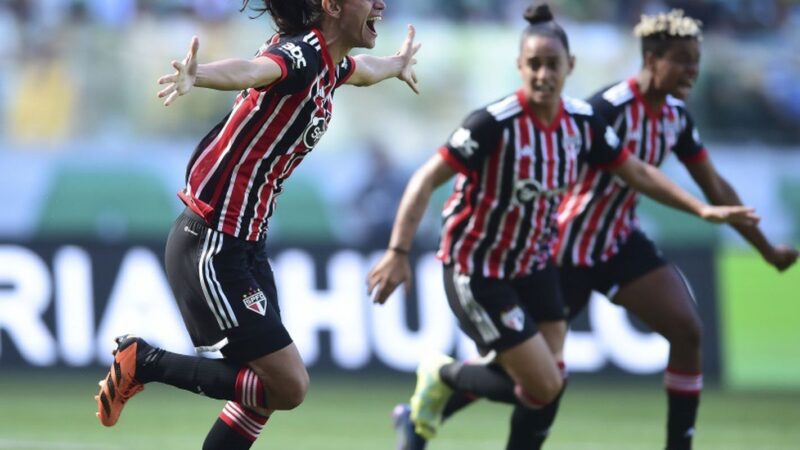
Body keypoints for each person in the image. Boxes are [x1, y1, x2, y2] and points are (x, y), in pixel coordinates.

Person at [366, 4, 758, 450]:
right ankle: (441, 375)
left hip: (534, 264)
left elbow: (639, 173)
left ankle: (425, 410)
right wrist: (398, 252)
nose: (542, 75)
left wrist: (702, 210)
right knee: (545, 385)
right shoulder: (493, 123)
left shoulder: (582, 124)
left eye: (552, 65)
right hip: (478, 267)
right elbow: (425, 179)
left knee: (548, 383)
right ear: (520, 66)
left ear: (570, 67)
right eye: (533, 64)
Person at [93, 1, 421, 449]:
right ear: (331, 6)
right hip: (212, 241)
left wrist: (397, 65)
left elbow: (361, 70)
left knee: (261, 394)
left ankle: (146, 362)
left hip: (245, 244)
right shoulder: (302, 55)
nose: (381, 3)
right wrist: (199, 75)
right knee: (288, 386)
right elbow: (253, 69)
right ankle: (144, 360)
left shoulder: (330, 64)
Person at [554, 9, 798, 450]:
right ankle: (433, 399)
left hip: (618, 243)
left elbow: (715, 185)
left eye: (696, 61)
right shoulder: (606, 109)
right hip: (564, 248)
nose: (693, 71)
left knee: (687, 330)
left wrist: (766, 249)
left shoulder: (677, 118)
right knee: (522, 371)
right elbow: (557, 167)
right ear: (651, 58)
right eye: (683, 60)